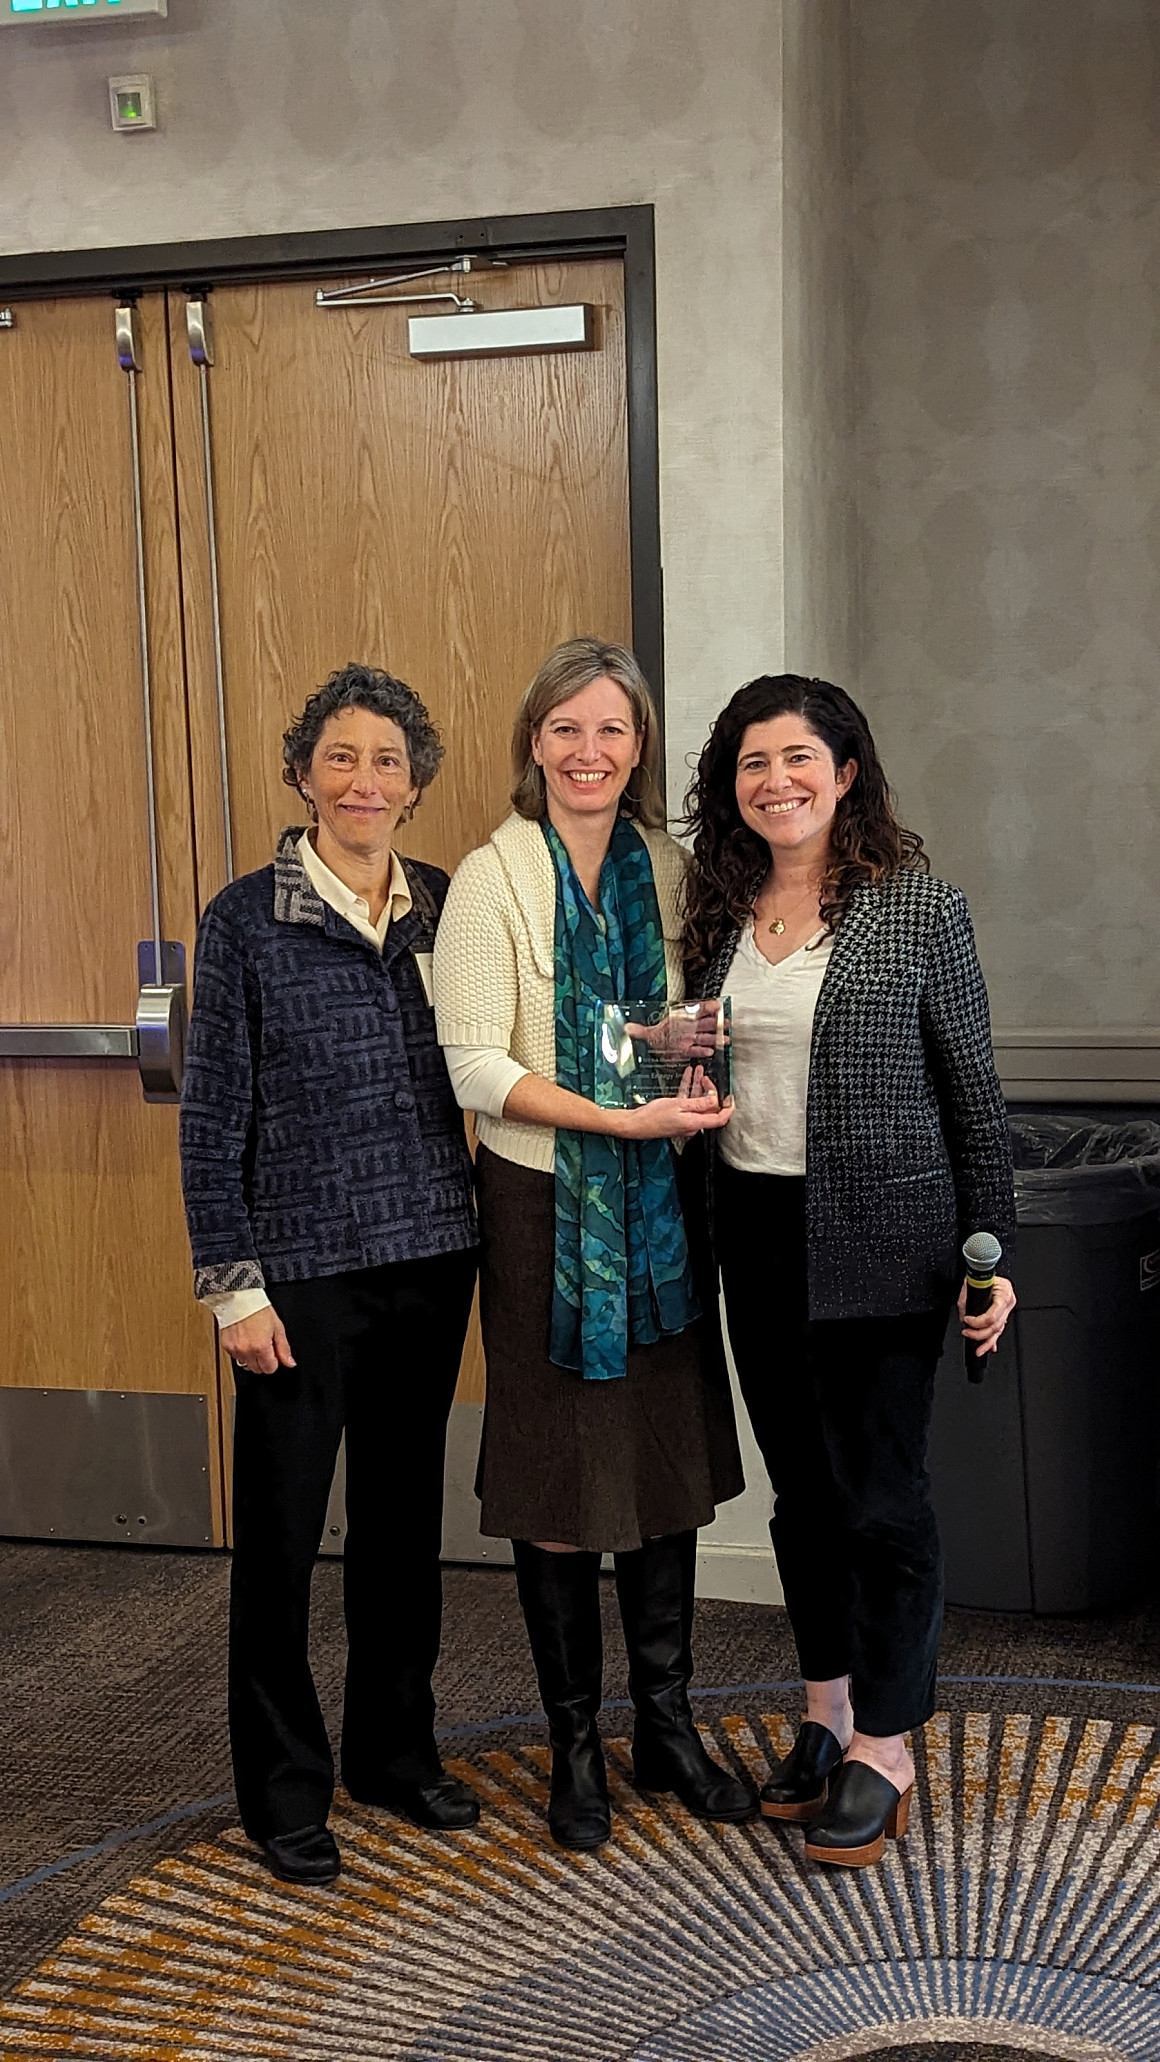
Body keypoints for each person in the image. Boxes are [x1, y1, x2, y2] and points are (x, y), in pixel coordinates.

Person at [683, 673, 1016, 1870]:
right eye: (749, 764)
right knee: (799, 1498)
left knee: (881, 1499)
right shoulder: (715, 912)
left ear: (845, 770)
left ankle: (887, 1744)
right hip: (753, 1230)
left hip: (886, 1236)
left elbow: (975, 1100)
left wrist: (993, 1258)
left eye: (795, 758)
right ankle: (823, 1712)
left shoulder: (916, 909)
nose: (774, 781)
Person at [433, 636, 755, 1851]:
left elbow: (688, 1024)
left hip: (660, 1210)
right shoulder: (490, 875)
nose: (588, 750)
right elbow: (473, 1064)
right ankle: (576, 1744)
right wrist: (617, 1118)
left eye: (611, 730)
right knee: (559, 1480)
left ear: (639, 747)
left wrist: (680, 1101)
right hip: (541, 1209)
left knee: (665, 1461)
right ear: (533, 742)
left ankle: (664, 1727)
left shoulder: (666, 869)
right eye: (565, 727)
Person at [179, 662, 480, 1887]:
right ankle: (285, 1789)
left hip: (430, 1253)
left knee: (406, 1528)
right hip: (297, 1275)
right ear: (304, 773)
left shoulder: (447, 906)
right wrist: (231, 1286)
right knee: (285, 1543)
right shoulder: (245, 917)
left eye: (389, 760)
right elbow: (211, 1120)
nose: (366, 778)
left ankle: (392, 1754)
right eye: (342, 756)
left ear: (414, 787)